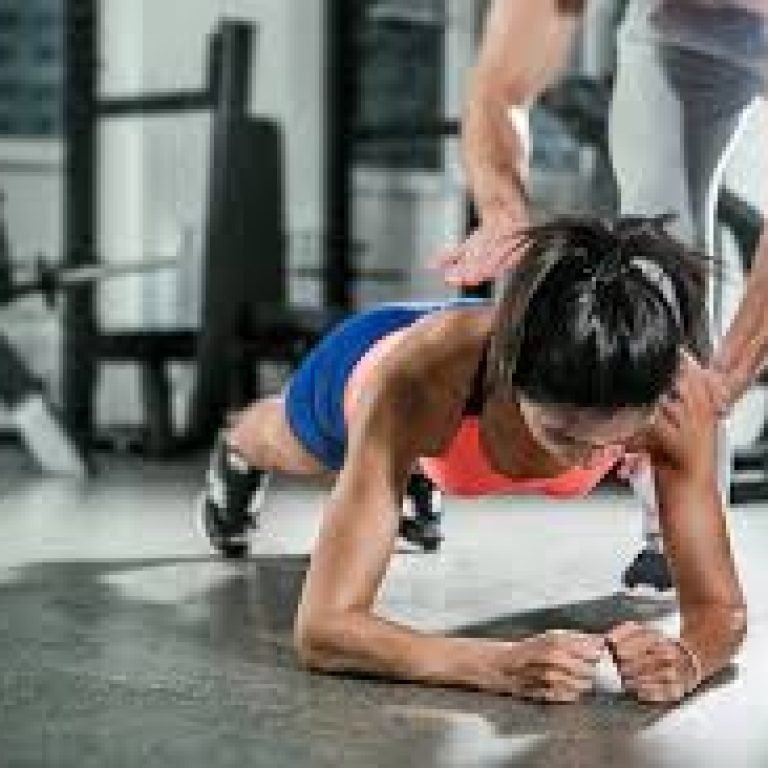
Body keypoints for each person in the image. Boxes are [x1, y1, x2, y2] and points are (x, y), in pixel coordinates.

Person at [198, 216, 746, 704]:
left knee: (410, 461)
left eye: (614, 441)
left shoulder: (677, 402)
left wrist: (689, 661)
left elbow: (721, 612)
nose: (593, 457)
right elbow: (323, 630)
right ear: (511, 379)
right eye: (564, 435)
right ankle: (240, 446)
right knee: (288, 443)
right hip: (369, 369)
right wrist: (494, 665)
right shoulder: (419, 380)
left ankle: (409, 474)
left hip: (451, 419)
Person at [438, 0, 768, 593]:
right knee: (659, 244)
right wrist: (502, 212)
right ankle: (672, 533)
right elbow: (499, 88)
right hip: (680, 37)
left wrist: (728, 377)